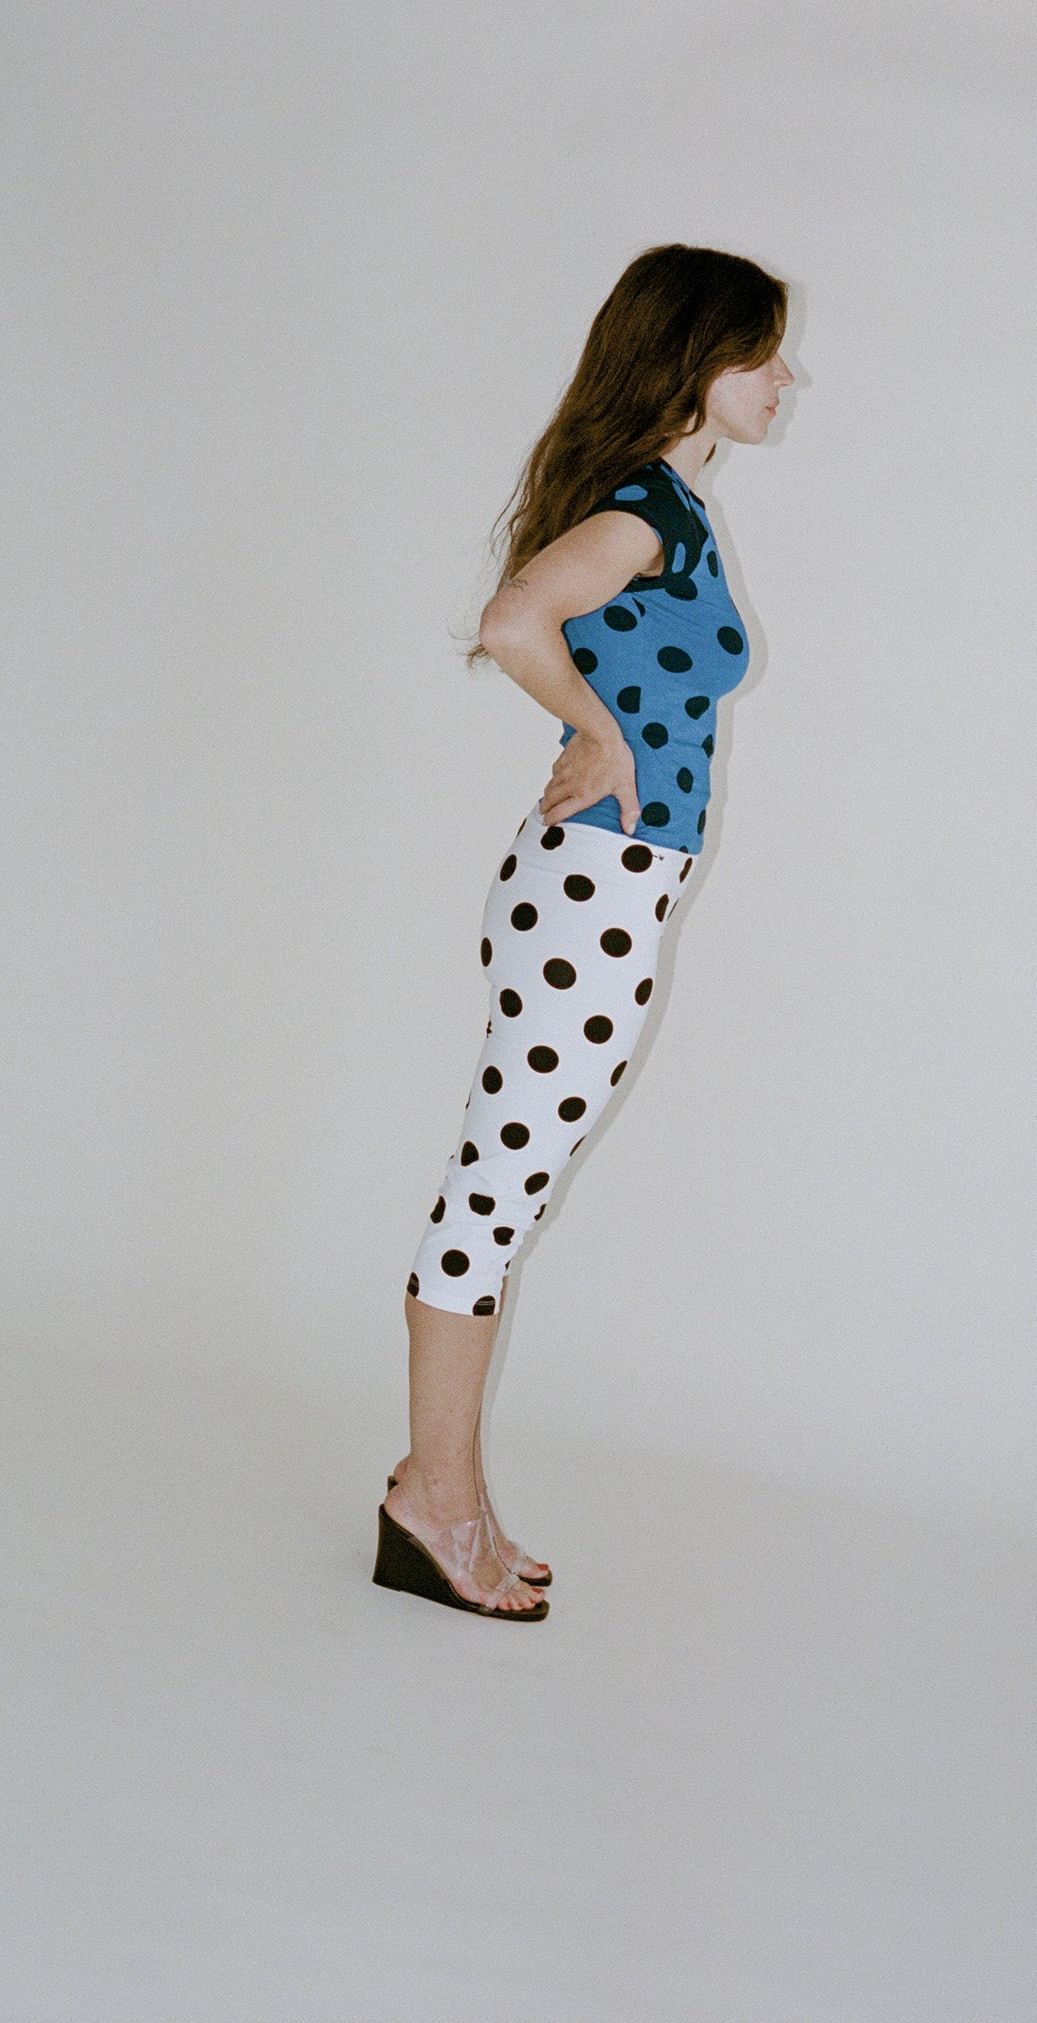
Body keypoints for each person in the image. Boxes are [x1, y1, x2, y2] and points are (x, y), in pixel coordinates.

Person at [373, 243, 793, 1620]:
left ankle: (444, 1489)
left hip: (606, 886)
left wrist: (600, 732)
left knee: (503, 1190)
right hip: (593, 891)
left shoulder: (665, 501)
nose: (782, 380)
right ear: (696, 362)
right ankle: (434, 1503)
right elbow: (514, 622)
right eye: (760, 355)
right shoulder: (644, 510)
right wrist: (600, 736)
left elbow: (538, 623)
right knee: (492, 1200)